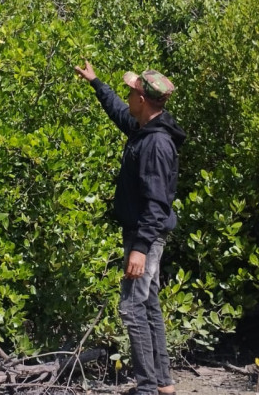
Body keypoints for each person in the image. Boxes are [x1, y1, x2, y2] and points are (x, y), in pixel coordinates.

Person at [74, 61, 185, 395]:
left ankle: (148, 386)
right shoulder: (145, 129)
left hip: (145, 236)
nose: (127, 96)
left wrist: (139, 248)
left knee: (132, 307)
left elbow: (157, 204)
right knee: (148, 303)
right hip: (144, 234)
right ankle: (162, 383)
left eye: (131, 92)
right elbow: (119, 114)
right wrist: (96, 83)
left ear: (143, 99)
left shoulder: (156, 144)